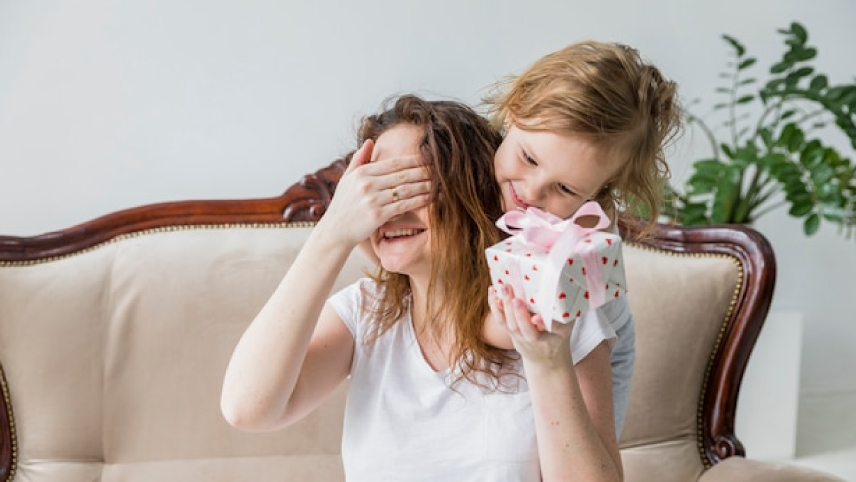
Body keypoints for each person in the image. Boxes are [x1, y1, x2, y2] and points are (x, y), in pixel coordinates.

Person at [221, 94, 624, 481]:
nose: (388, 208)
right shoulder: (365, 313)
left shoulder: (548, 311)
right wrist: (332, 234)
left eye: (408, 185)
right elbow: (246, 408)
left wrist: (547, 360)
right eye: (373, 191)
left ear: (470, 190)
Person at [479, 40, 683, 440]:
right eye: (529, 158)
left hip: (576, 408)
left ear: (601, 188)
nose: (533, 191)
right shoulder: (475, 169)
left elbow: (500, 331)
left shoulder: (581, 255)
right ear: (514, 108)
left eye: (566, 188)